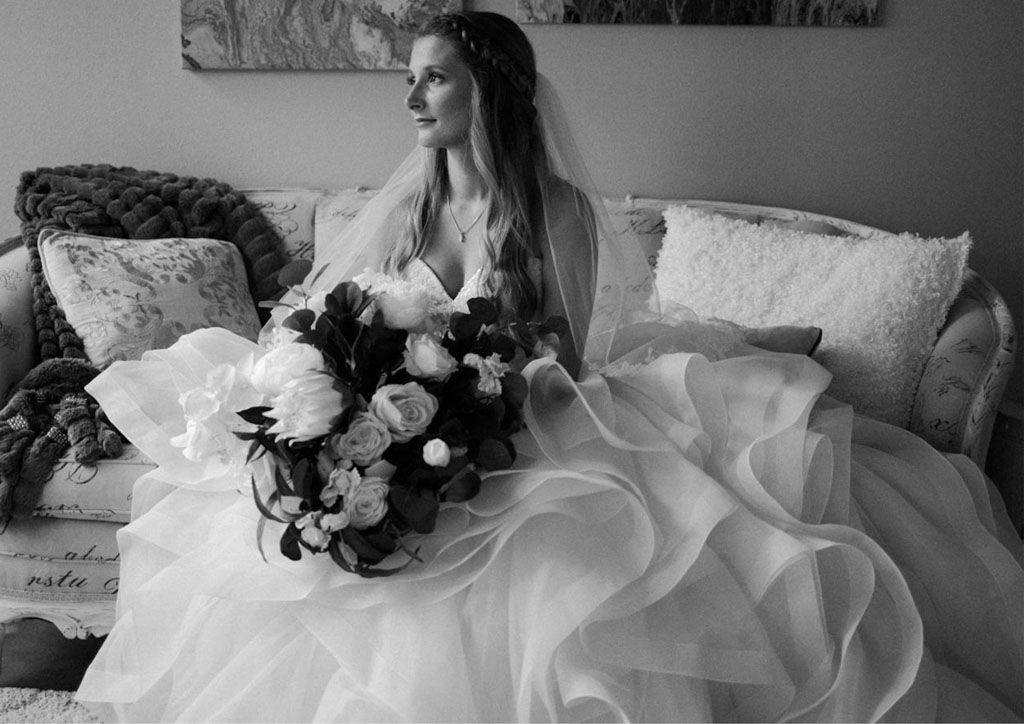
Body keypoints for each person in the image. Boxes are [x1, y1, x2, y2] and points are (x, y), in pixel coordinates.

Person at [76, 11, 1023, 722]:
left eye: (434, 80)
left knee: (541, 559)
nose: (411, 99)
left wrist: (458, 385)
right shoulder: (407, 211)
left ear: (486, 90)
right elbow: (347, 309)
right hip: (420, 412)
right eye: (411, 79)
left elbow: (568, 349)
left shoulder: (551, 210)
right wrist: (376, 381)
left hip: (526, 407)